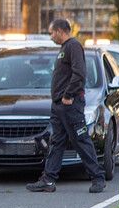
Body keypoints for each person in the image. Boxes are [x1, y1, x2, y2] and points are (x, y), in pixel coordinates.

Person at [26, 18, 106, 193]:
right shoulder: (64, 49)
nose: (51, 36)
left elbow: (80, 73)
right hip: (59, 106)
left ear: (60, 31)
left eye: (51, 32)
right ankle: (48, 179)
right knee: (56, 142)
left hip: (70, 105)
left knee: (81, 140)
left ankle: (98, 178)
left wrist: (68, 95)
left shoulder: (73, 46)